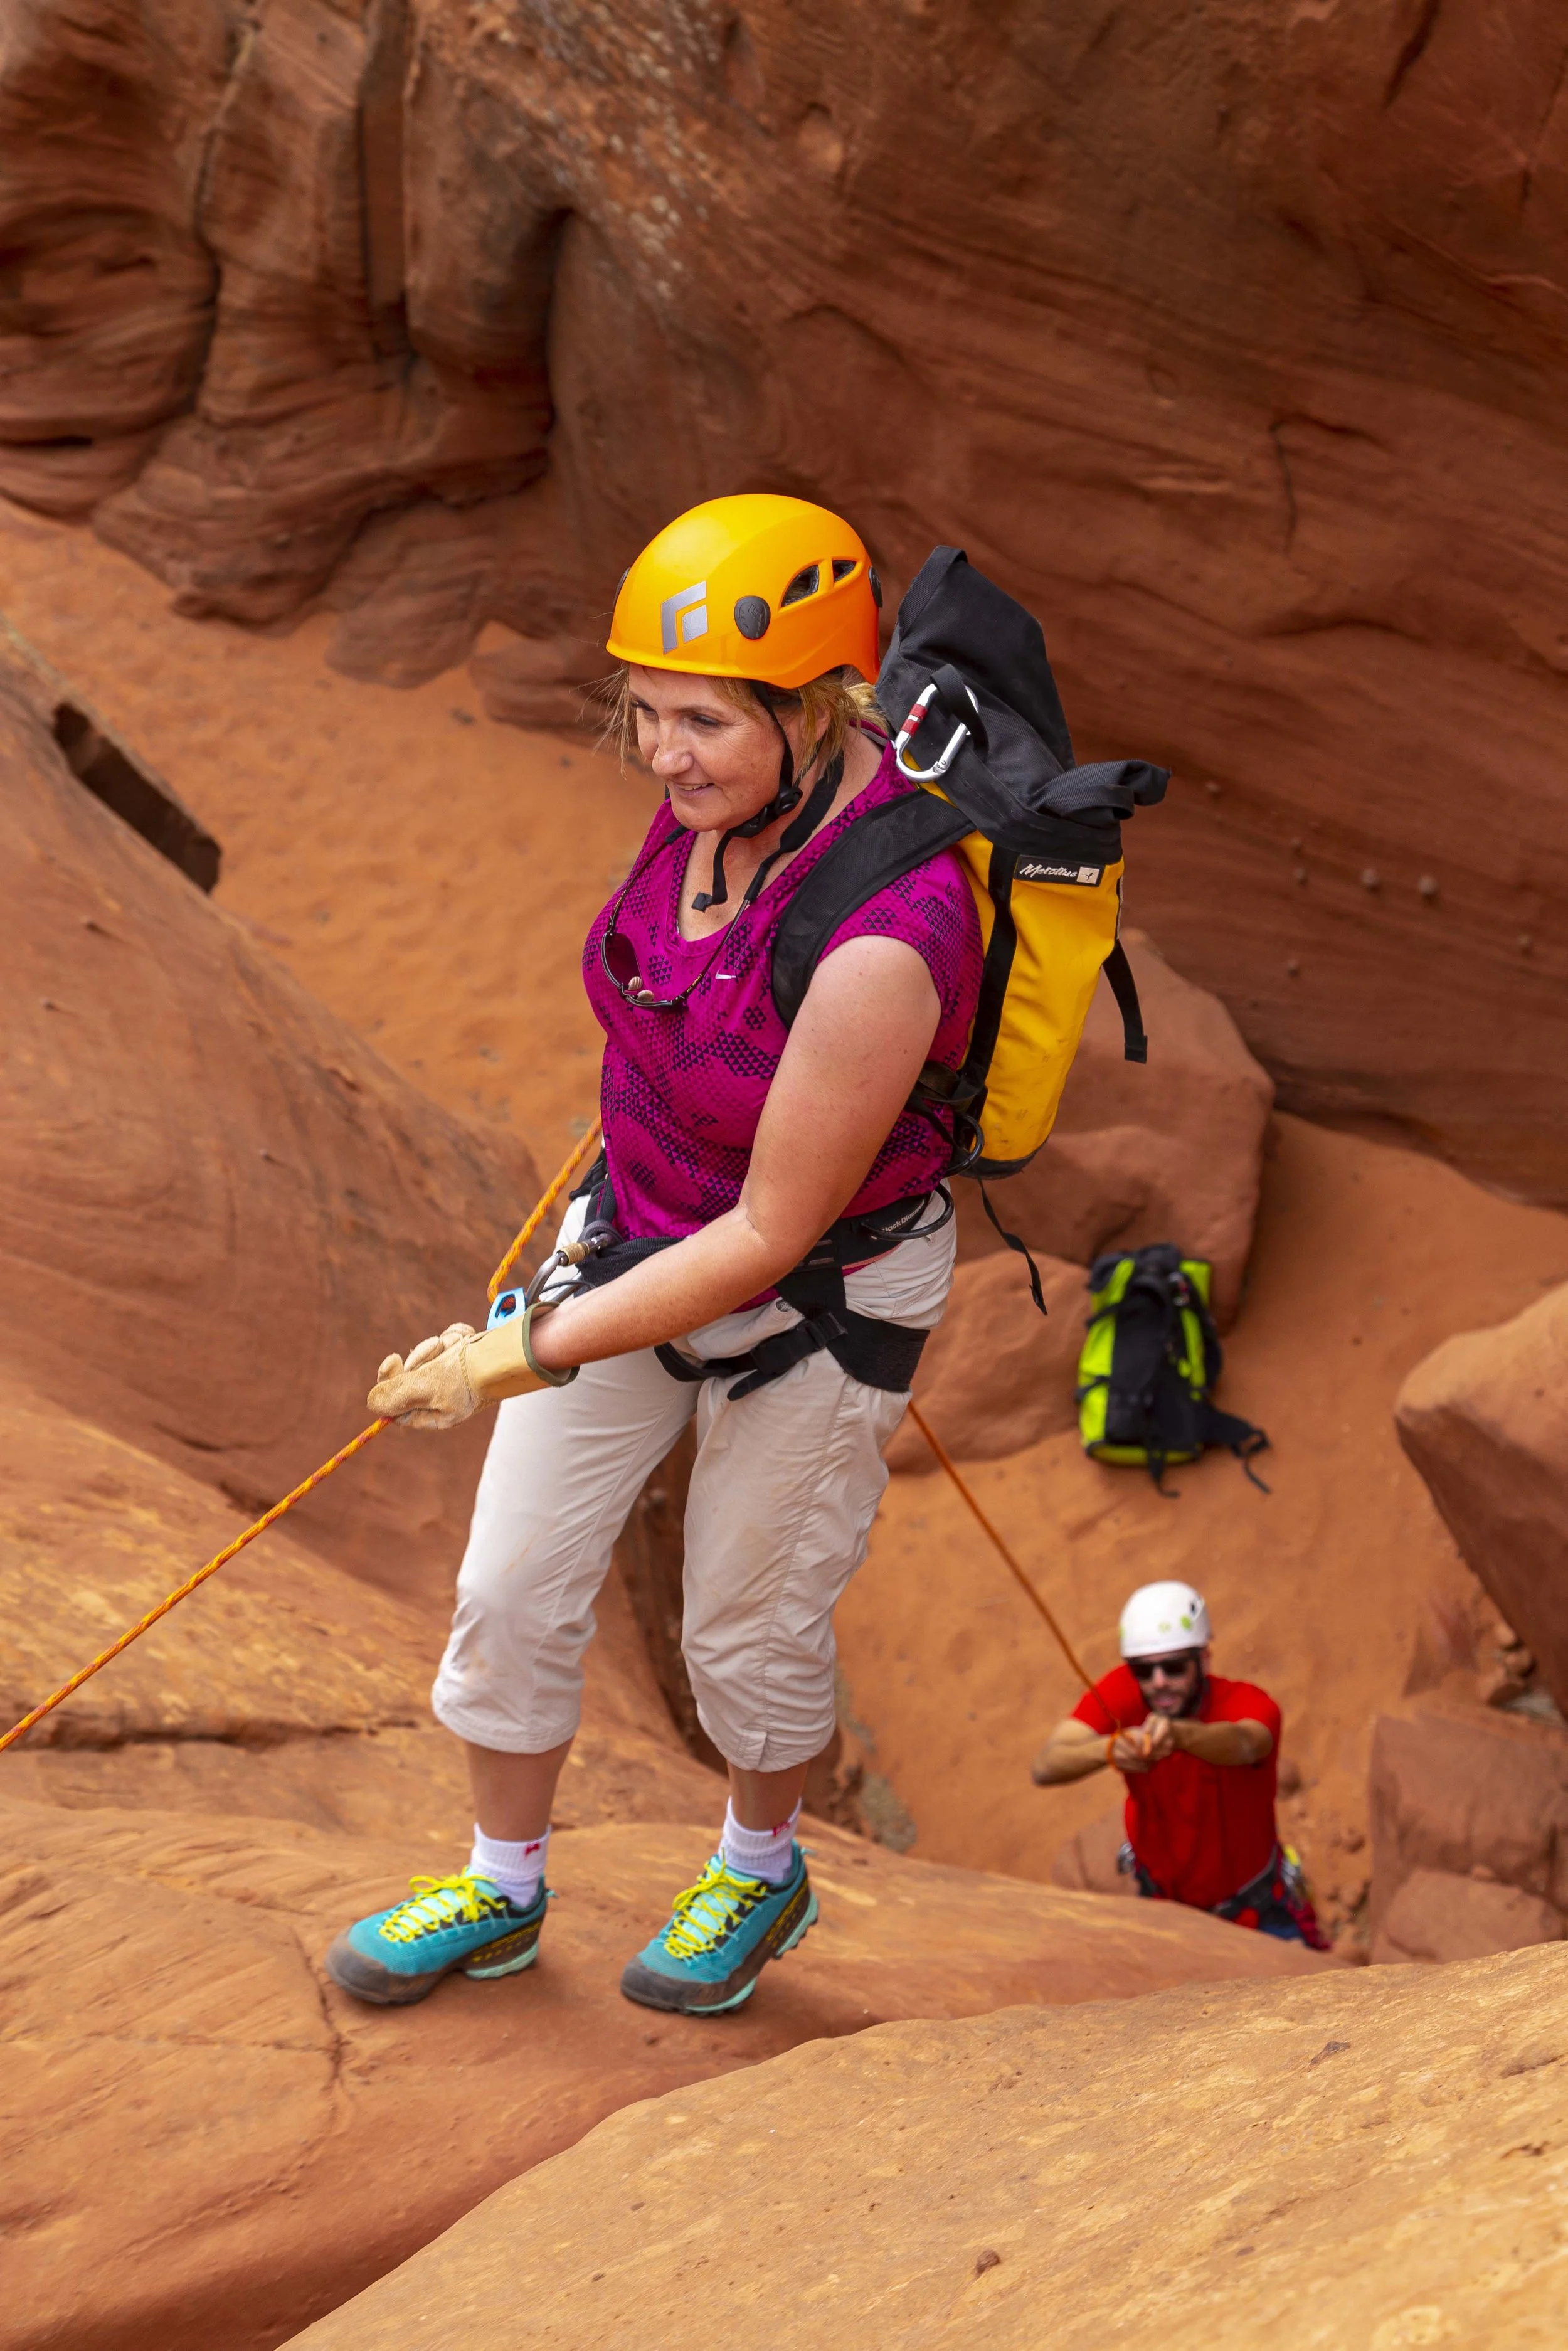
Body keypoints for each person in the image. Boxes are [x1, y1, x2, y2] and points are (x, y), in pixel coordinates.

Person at [325, 494, 984, 2015]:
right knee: (509, 1586)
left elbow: (770, 1231)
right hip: (637, 1228)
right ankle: (501, 1889)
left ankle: (758, 1867)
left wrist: (520, 1349)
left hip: (813, 1291)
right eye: (642, 713)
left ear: (814, 706)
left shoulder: (890, 933)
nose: (663, 756)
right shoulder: (716, 813)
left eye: (702, 720)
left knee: (744, 1629)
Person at [1030, 1579, 1328, 1947]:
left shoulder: (1248, 1703)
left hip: (1255, 1911)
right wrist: (1108, 1750)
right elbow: (1046, 1766)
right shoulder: (1125, 1691)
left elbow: (1247, 1743)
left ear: (1203, 1660)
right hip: (1164, 1908)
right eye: (1143, 1671)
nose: (1159, 1683)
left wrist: (1182, 1737)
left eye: (1174, 1667)